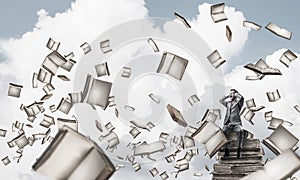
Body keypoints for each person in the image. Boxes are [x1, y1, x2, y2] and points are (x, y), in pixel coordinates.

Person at [219, 89, 244, 159]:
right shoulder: (228, 103)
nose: (231, 95)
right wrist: (227, 96)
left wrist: (237, 94)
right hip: (228, 124)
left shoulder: (238, 103)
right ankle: (227, 151)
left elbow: (242, 98)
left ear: (235, 95)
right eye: (230, 93)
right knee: (223, 132)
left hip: (236, 124)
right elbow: (220, 100)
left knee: (240, 131)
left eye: (232, 93)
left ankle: (239, 151)